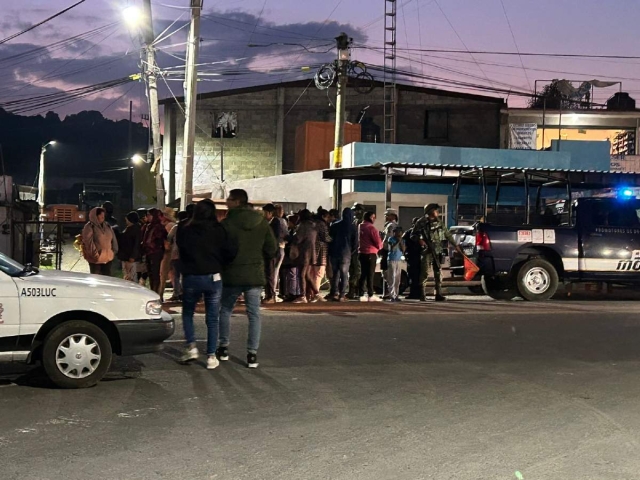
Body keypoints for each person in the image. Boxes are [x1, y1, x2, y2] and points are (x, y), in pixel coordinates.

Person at [218, 189, 277, 369]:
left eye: (229, 199)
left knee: (225, 310)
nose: (226, 201)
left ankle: (224, 347)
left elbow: (221, 249)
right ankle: (252, 353)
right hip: (254, 273)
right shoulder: (261, 222)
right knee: (254, 314)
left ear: (237, 202)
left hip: (232, 274)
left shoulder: (227, 223)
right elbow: (271, 249)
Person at [177, 199, 237, 369]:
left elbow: (181, 248)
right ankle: (211, 355)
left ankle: (191, 346)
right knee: (212, 317)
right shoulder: (219, 229)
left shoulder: (185, 228)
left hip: (191, 275)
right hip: (213, 275)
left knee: (188, 312)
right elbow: (230, 251)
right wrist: (220, 264)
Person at [413, 203, 462, 302]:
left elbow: (447, 234)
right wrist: (420, 240)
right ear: (430, 211)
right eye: (436, 210)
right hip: (426, 251)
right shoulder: (421, 222)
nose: (438, 212)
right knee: (424, 273)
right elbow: (413, 235)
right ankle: (422, 294)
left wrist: (455, 245)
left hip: (438, 250)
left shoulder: (439, 222)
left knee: (438, 272)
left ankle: (438, 294)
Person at [328, 207, 357, 301]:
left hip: (334, 252)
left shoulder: (334, 225)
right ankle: (342, 294)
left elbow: (329, 239)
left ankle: (335, 292)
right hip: (346, 253)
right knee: (344, 274)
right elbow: (355, 243)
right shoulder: (353, 227)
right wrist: (350, 252)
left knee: (335, 273)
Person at [82, 207, 119, 276]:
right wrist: (95, 255)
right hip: (96, 261)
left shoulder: (107, 225)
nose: (103, 217)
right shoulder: (89, 227)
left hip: (108, 259)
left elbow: (113, 238)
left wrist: (113, 252)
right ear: (95, 216)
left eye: (103, 215)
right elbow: (88, 242)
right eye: (100, 215)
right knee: (97, 279)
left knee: (107, 279)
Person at [261, 203, 286, 303]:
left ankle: (271, 296)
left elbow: (274, 238)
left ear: (270, 213)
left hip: (273, 252)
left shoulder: (276, 222)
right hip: (270, 251)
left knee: (271, 274)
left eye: (264, 212)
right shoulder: (269, 222)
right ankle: (269, 295)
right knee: (269, 274)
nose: (263, 215)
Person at [293, 209, 317, 303]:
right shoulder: (313, 225)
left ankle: (302, 296)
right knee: (307, 275)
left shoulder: (303, 226)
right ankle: (316, 293)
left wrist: (289, 237)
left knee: (301, 274)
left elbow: (298, 239)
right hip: (311, 252)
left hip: (304, 252)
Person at [358, 211, 383, 302]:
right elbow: (378, 243)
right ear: (369, 217)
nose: (374, 219)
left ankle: (360, 293)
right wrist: (380, 246)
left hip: (361, 252)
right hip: (370, 253)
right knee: (370, 274)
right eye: (373, 217)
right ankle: (370, 294)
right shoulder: (371, 228)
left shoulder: (360, 226)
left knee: (363, 274)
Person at [142, 208, 167, 295]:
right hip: (149, 253)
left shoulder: (159, 227)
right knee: (151, 274)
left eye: (149, 215)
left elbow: (160, 240)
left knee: (156, 274)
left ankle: (156, 293)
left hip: (156, 253)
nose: (147, 217)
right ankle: (153, 292)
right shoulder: (148, 226)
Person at [309, 208, 332, 302]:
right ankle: (316, 293)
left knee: (311, 274)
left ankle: (310, 293)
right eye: (327, 217)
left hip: (312, 252)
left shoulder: (312, 223)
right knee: (319, 274)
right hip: (320, 253)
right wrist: (333, 239)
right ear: (323, 216)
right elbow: (326, 238)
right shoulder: (322, 224)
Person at [166, 210, 189, 302]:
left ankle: (177, 293)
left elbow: (168, 238)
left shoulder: (176, 227)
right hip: (187, 254)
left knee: (176, 275)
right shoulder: (190, 227)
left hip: (176, 254)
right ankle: (184, 293)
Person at [159, 208, 177, 301]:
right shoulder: (173, 225)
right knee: (172, 274)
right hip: (173, 253)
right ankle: (176, 292)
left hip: (168, 254)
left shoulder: (170, 226)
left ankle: (161, 294)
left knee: (164, 274)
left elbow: (167, 241)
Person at [403, 217, 423, 299]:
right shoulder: (409, 232)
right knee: (414, 276)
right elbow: (403, 242)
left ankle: (416, 293)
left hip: (416, 256)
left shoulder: (421, 232)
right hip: (414, 256)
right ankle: (416, 293)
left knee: (415, 276)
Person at [348, 202, 365, 298]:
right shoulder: (354, 221)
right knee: (353, 270)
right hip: (353, 249)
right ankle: (353, 291)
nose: (355, 212)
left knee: (358, 271)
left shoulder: (362, 222)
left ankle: (357, 291)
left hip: (359, 250)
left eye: (357, 210)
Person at [118, 211, 141, 282]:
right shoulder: (129, 228)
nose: (126, 221)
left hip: (130, 257)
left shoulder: (135, 230)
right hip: (126, 256)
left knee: (131, 277)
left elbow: (137, 244)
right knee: (127, 276)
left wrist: (133, 256)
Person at [381, 208, 399, 298]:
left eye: (387, 215)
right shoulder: (391, 226)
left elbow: (388, 240)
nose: (385, 217)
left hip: (388, 251)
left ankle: (390, 293)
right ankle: (389, 292)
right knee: (387, 273)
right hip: (390, 252)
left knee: (387, 273)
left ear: (392, 216)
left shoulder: (391, 226)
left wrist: (382, 247)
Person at [386, 226, 406, 302]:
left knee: (397, 278)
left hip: (398, 260)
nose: (399, 233)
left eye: (400, 232)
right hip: (391, 259)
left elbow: (403, 250)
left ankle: (396, 295)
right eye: (397, 232)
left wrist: (401, 242)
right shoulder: (391, 239)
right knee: (391, 278)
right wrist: (397, 241)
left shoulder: (402, 240)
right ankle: (391, 295)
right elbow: (391, 248)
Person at [136, 208, 149, 286]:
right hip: (141, 251)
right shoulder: (141, 226)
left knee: (143, 271)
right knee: (141, 271)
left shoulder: (146, 226)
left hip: (143, 251)